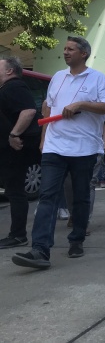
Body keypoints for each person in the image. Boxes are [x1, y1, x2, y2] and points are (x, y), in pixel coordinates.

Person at [12, 36, 105, 269]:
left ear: (84, 54)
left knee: (79, 197)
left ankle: (77, 239)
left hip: (84, 149)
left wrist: (81, 104)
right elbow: (48, 108)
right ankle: (40, 249)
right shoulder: (58, 77)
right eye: (65, 48)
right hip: (54, 147)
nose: (66, 52)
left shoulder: (98, 79)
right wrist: (43, 139)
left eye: (71, 49)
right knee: (47, 196)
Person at [0, 57, 42, 249]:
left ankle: (18, 235)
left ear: (9, 71)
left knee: (15, 191)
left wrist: (14, 134)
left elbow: (28, 111)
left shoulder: (14, 86)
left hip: (15, 148)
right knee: (14, 190)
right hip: (10, 148)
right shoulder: (7, 89)